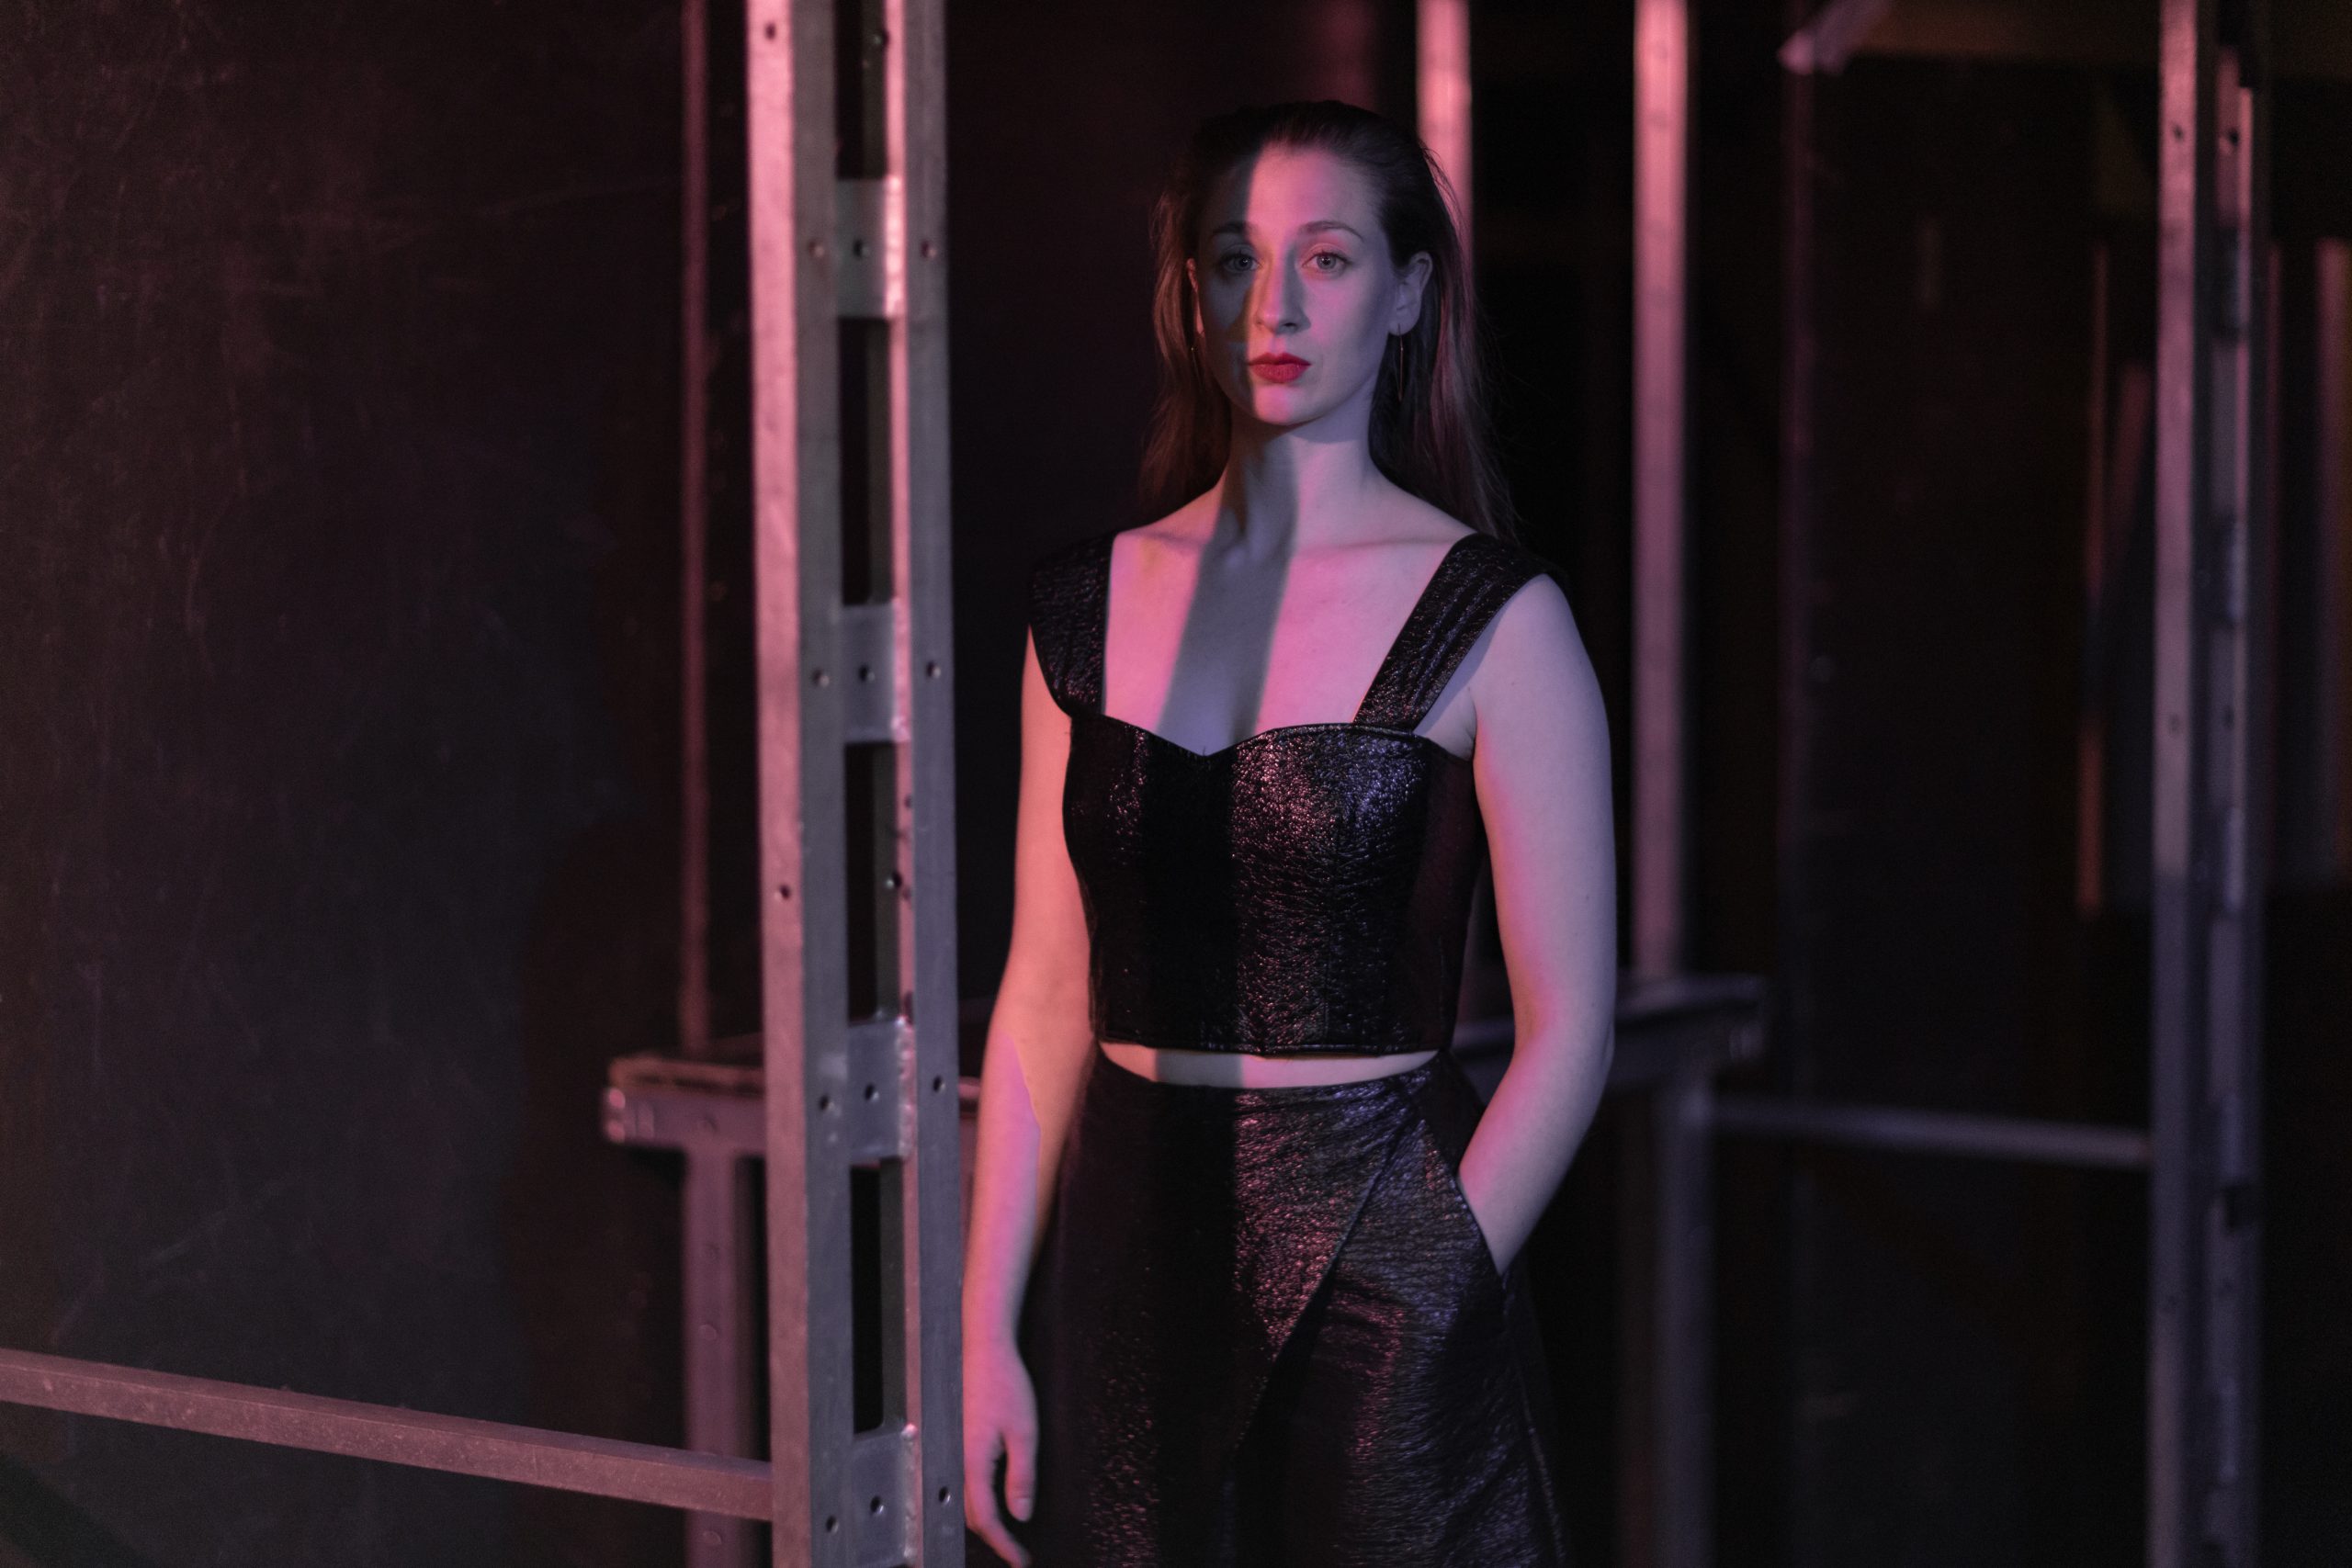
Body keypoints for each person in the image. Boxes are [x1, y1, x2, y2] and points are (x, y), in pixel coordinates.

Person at [960, 99, 1617, 1567]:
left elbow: (1572, 1027)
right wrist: (983, 1325)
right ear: (1189, 292)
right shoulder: (1084, 605)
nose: (1276, 306)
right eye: (1236, 257)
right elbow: (1045, 993)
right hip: (1129, 1243)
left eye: (1325, 257)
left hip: (1383, 1224)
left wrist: (1433, 1282)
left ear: (1408, 293)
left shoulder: (1499, 619)